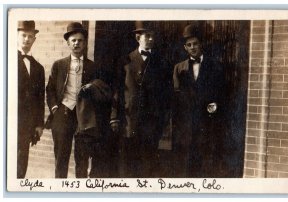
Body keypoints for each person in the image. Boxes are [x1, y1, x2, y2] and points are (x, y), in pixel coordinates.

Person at [110, 21, 172, 177]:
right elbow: (117, 90)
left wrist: (163, 119)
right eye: (147, 36)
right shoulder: (126, 60)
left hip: (151, 121)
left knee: (148, 162)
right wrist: (114, 117)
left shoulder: (161, 62)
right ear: (138, 38)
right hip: (129, 119)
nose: (151, 39)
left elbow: (165, 93)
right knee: (127, 162)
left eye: (153, 36)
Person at [172, 24, 226, 177]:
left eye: (195, 43)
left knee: (205, 159)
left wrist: (215, 105)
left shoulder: (215, 66)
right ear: (185, 48)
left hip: (207, 122)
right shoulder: (179, 68)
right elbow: (176, 96)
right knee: (186, 161)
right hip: (186, 123)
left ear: (201, 44)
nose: (193, 47)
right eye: (189, 45)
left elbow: (221, 92)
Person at [46, 22, 99, 178]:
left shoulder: (92, 66)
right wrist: (55, 108)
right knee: (61, 158)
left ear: (84, 43)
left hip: (84, 117)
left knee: (82, 160)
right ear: (68, 43)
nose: (77, 43)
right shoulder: (59, 65)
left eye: (80, 40)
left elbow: (98, 91)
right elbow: (49, 90)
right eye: (73, 40)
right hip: (63, 114)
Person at [17, 20, 45, 178]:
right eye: (23, 35)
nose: (26, 39)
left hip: (26, 123)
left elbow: (40, 98)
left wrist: (39, 124)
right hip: (8, 121)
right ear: (16, 36)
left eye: (30, 36)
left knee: (21, 161)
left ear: (34, 39)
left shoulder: (38, 68)